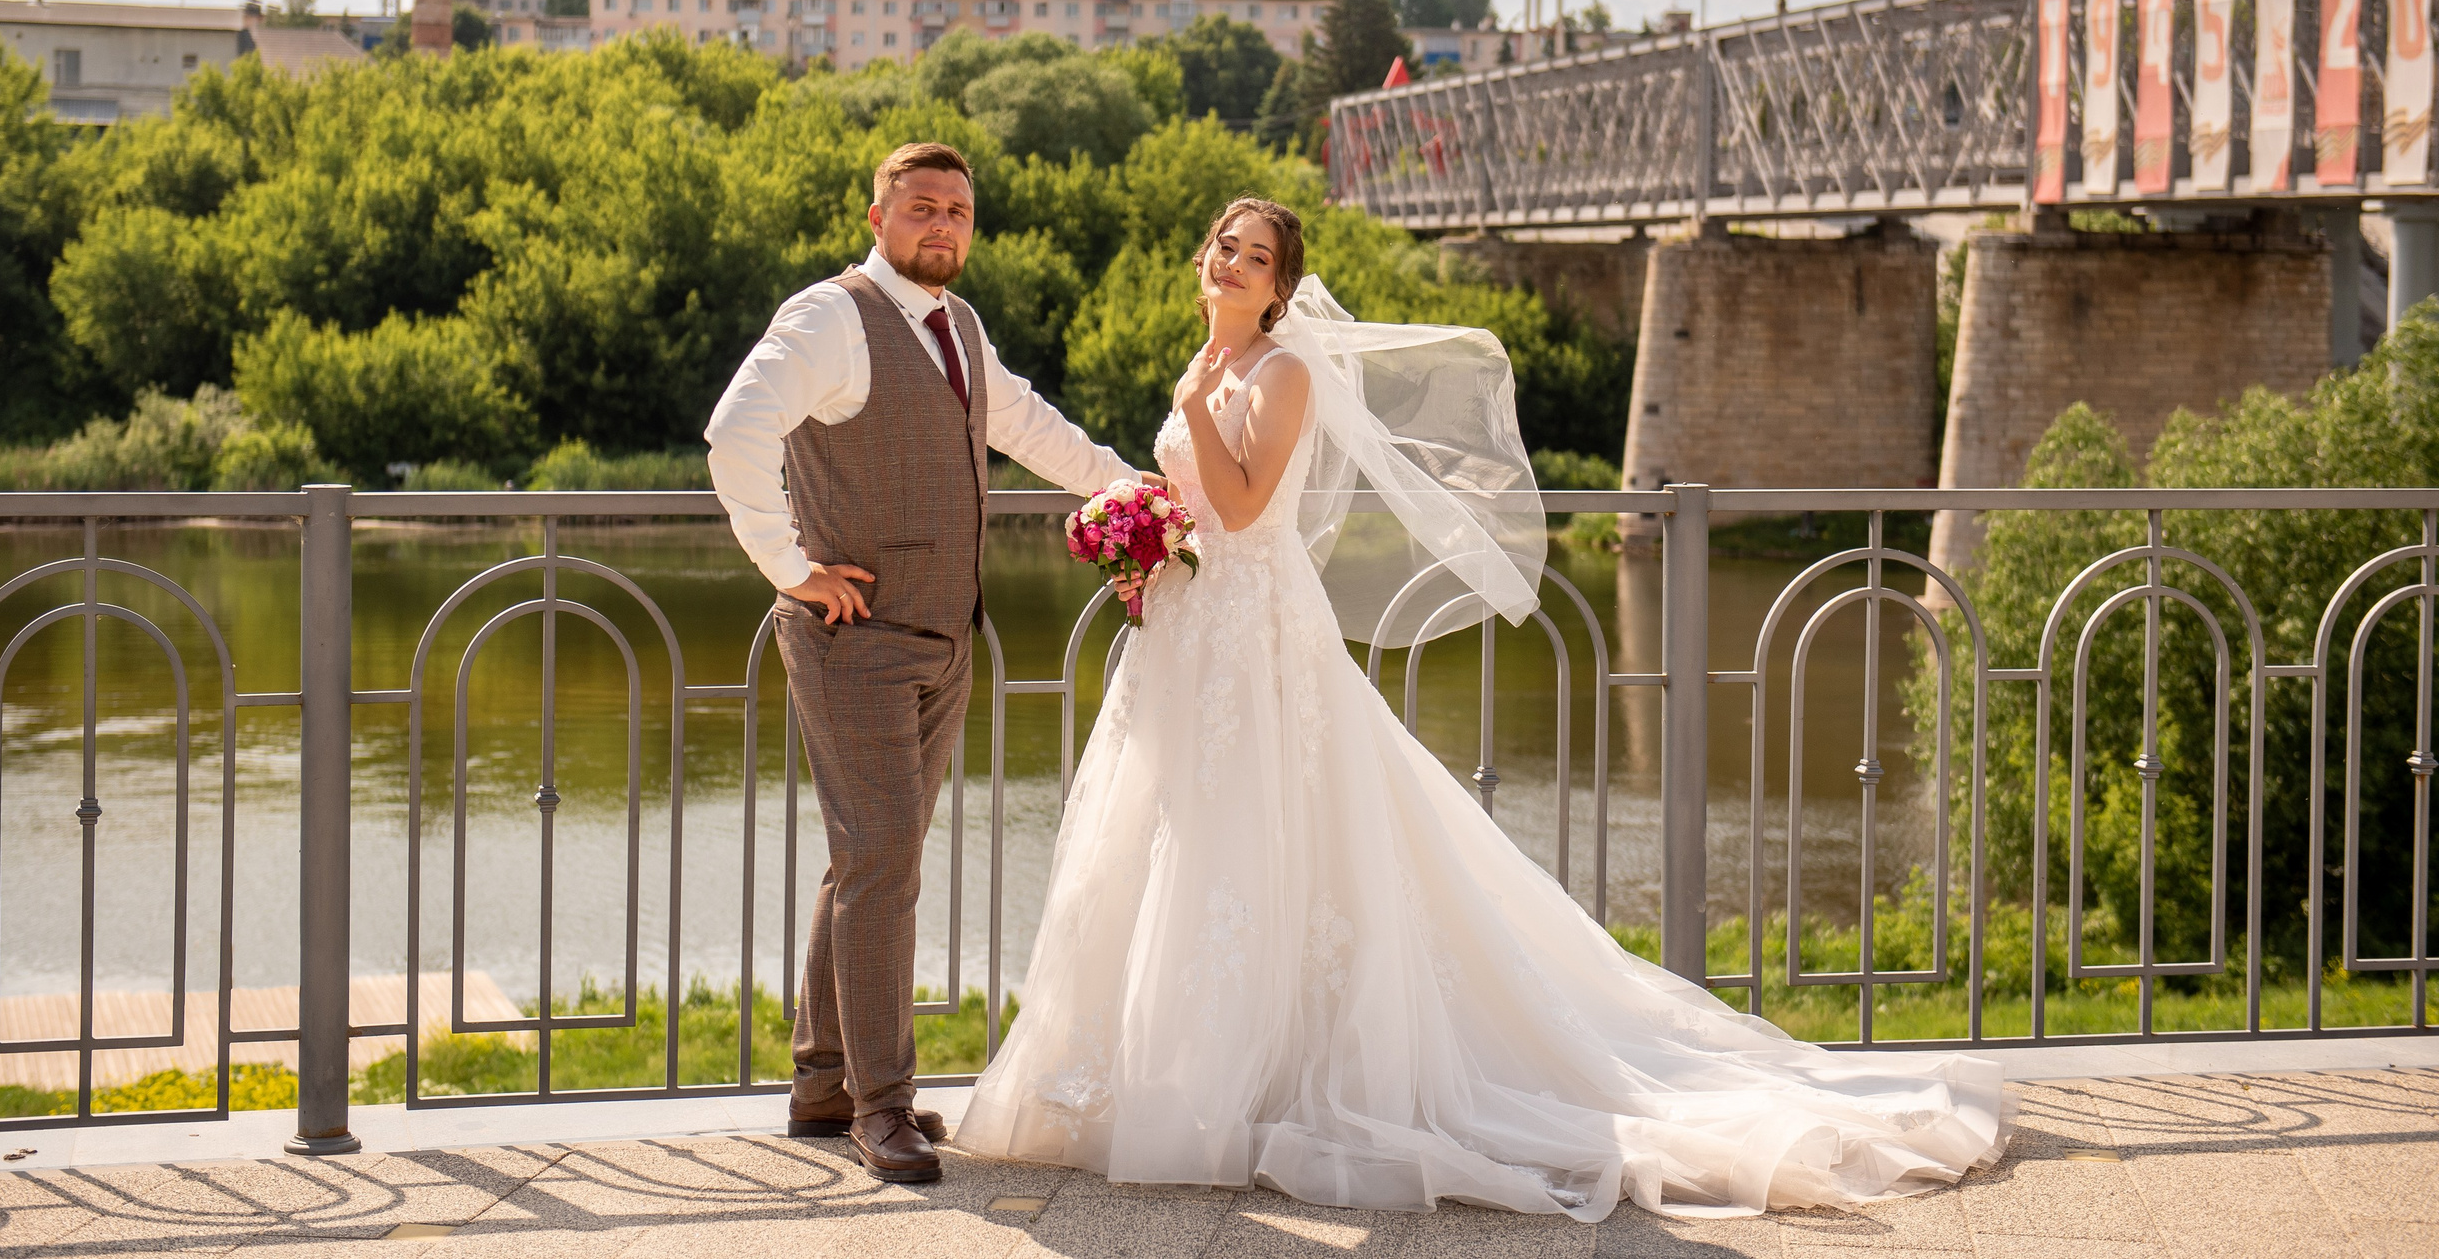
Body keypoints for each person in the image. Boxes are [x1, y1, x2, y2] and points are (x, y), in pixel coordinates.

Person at [954, 196, 2013, 1221]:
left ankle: (1246, 1085)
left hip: (1259, 637)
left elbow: (1239, 503)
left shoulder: (1275, 373)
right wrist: (1138, 524)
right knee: (1173, 836)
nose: (1228, 263)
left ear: (1278, 290)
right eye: (1222, 246)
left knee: (1263, 835)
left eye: (1254, 257)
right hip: (1189, 634)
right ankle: (1155, 1076)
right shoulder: (1212, 363)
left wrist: (1187, 422)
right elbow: (1196, 506)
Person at [704, 140, 1137, 1185]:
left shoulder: (960, 326)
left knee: (868, 860)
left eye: (957, 210)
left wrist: (1136, 493)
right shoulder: (828, 317)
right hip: (854, 636)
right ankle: (883, 1107)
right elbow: (733, 432)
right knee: (886, 861)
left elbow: (1029, 424)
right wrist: (792, 566)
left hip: (944, 634)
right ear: (876, 214)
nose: (941, 224)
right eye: (921, 207)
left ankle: (822, 1079)